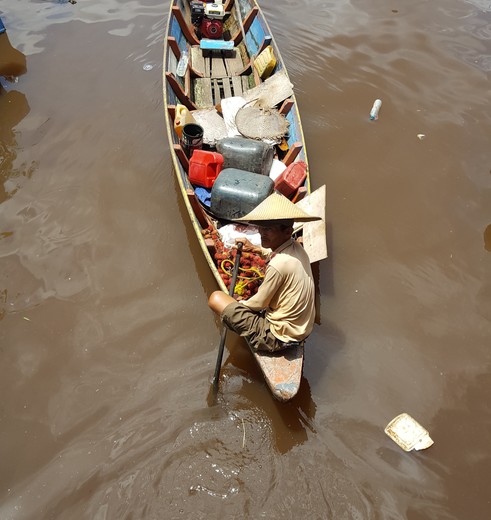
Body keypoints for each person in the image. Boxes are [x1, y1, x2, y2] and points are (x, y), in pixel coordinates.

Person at [208, 192, 321, 352]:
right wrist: (255, 249)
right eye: (260, 227)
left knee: (216, 298)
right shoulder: (297, 249)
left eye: (268, 229)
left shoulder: (278, 265)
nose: (262, 233)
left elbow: (258, 304)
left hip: (277, 337)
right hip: (302, 330)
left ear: (287, 232)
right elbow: (276, 255)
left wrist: (237, 304)